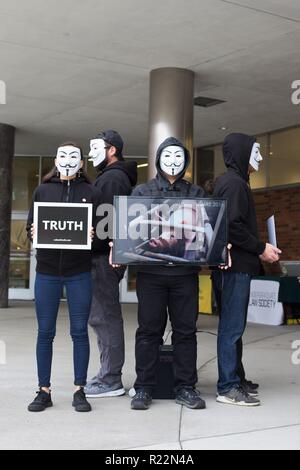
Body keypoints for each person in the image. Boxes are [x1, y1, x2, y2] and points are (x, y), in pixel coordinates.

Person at [128, 137, 208, 411]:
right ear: (158, 159)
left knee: (185, 332)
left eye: (178, 156)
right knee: (149, 331)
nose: (172, 161)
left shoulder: (196, 193)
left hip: (185, 275)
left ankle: (186, 387)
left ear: (185, 161)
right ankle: (143, 388)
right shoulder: (142, 192)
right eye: (167, 156)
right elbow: (131, 230)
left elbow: (207, 232)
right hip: (150, 275)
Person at [27, 142, 99, 413]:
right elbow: (30, 229)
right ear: (56, 160)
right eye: (62, 155)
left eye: (73, 157)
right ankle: (43, 390)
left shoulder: (91, 192)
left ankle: (80, 390)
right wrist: (34, 231)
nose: (67, 160)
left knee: (79, 333)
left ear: (82, 163)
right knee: (45, 333)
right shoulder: (42, 191)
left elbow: (104, 233)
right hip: (46, 273)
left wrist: (93, 236)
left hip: (79, 273)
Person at [212, 133, 282, 407]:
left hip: (233, 266)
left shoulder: (233, 182)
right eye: (256, 151)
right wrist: (261, 247)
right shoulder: (234, 184)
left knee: (234, 327)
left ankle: (236, 379)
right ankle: (227, 386)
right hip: (235, 267)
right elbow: (233, 226)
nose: (261, 157)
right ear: (242, 153)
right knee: (231, 328)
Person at [85, 130, 137, 398]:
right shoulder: (111, 177)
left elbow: (107, 223)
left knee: (103, 317)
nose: (90, 153)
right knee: (102, 316)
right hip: (106, 257)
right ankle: (108, 375)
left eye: (96, 148)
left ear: (112, 150)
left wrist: (101, 247)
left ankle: (110, 379)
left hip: (102, 259)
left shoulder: (112, 179)